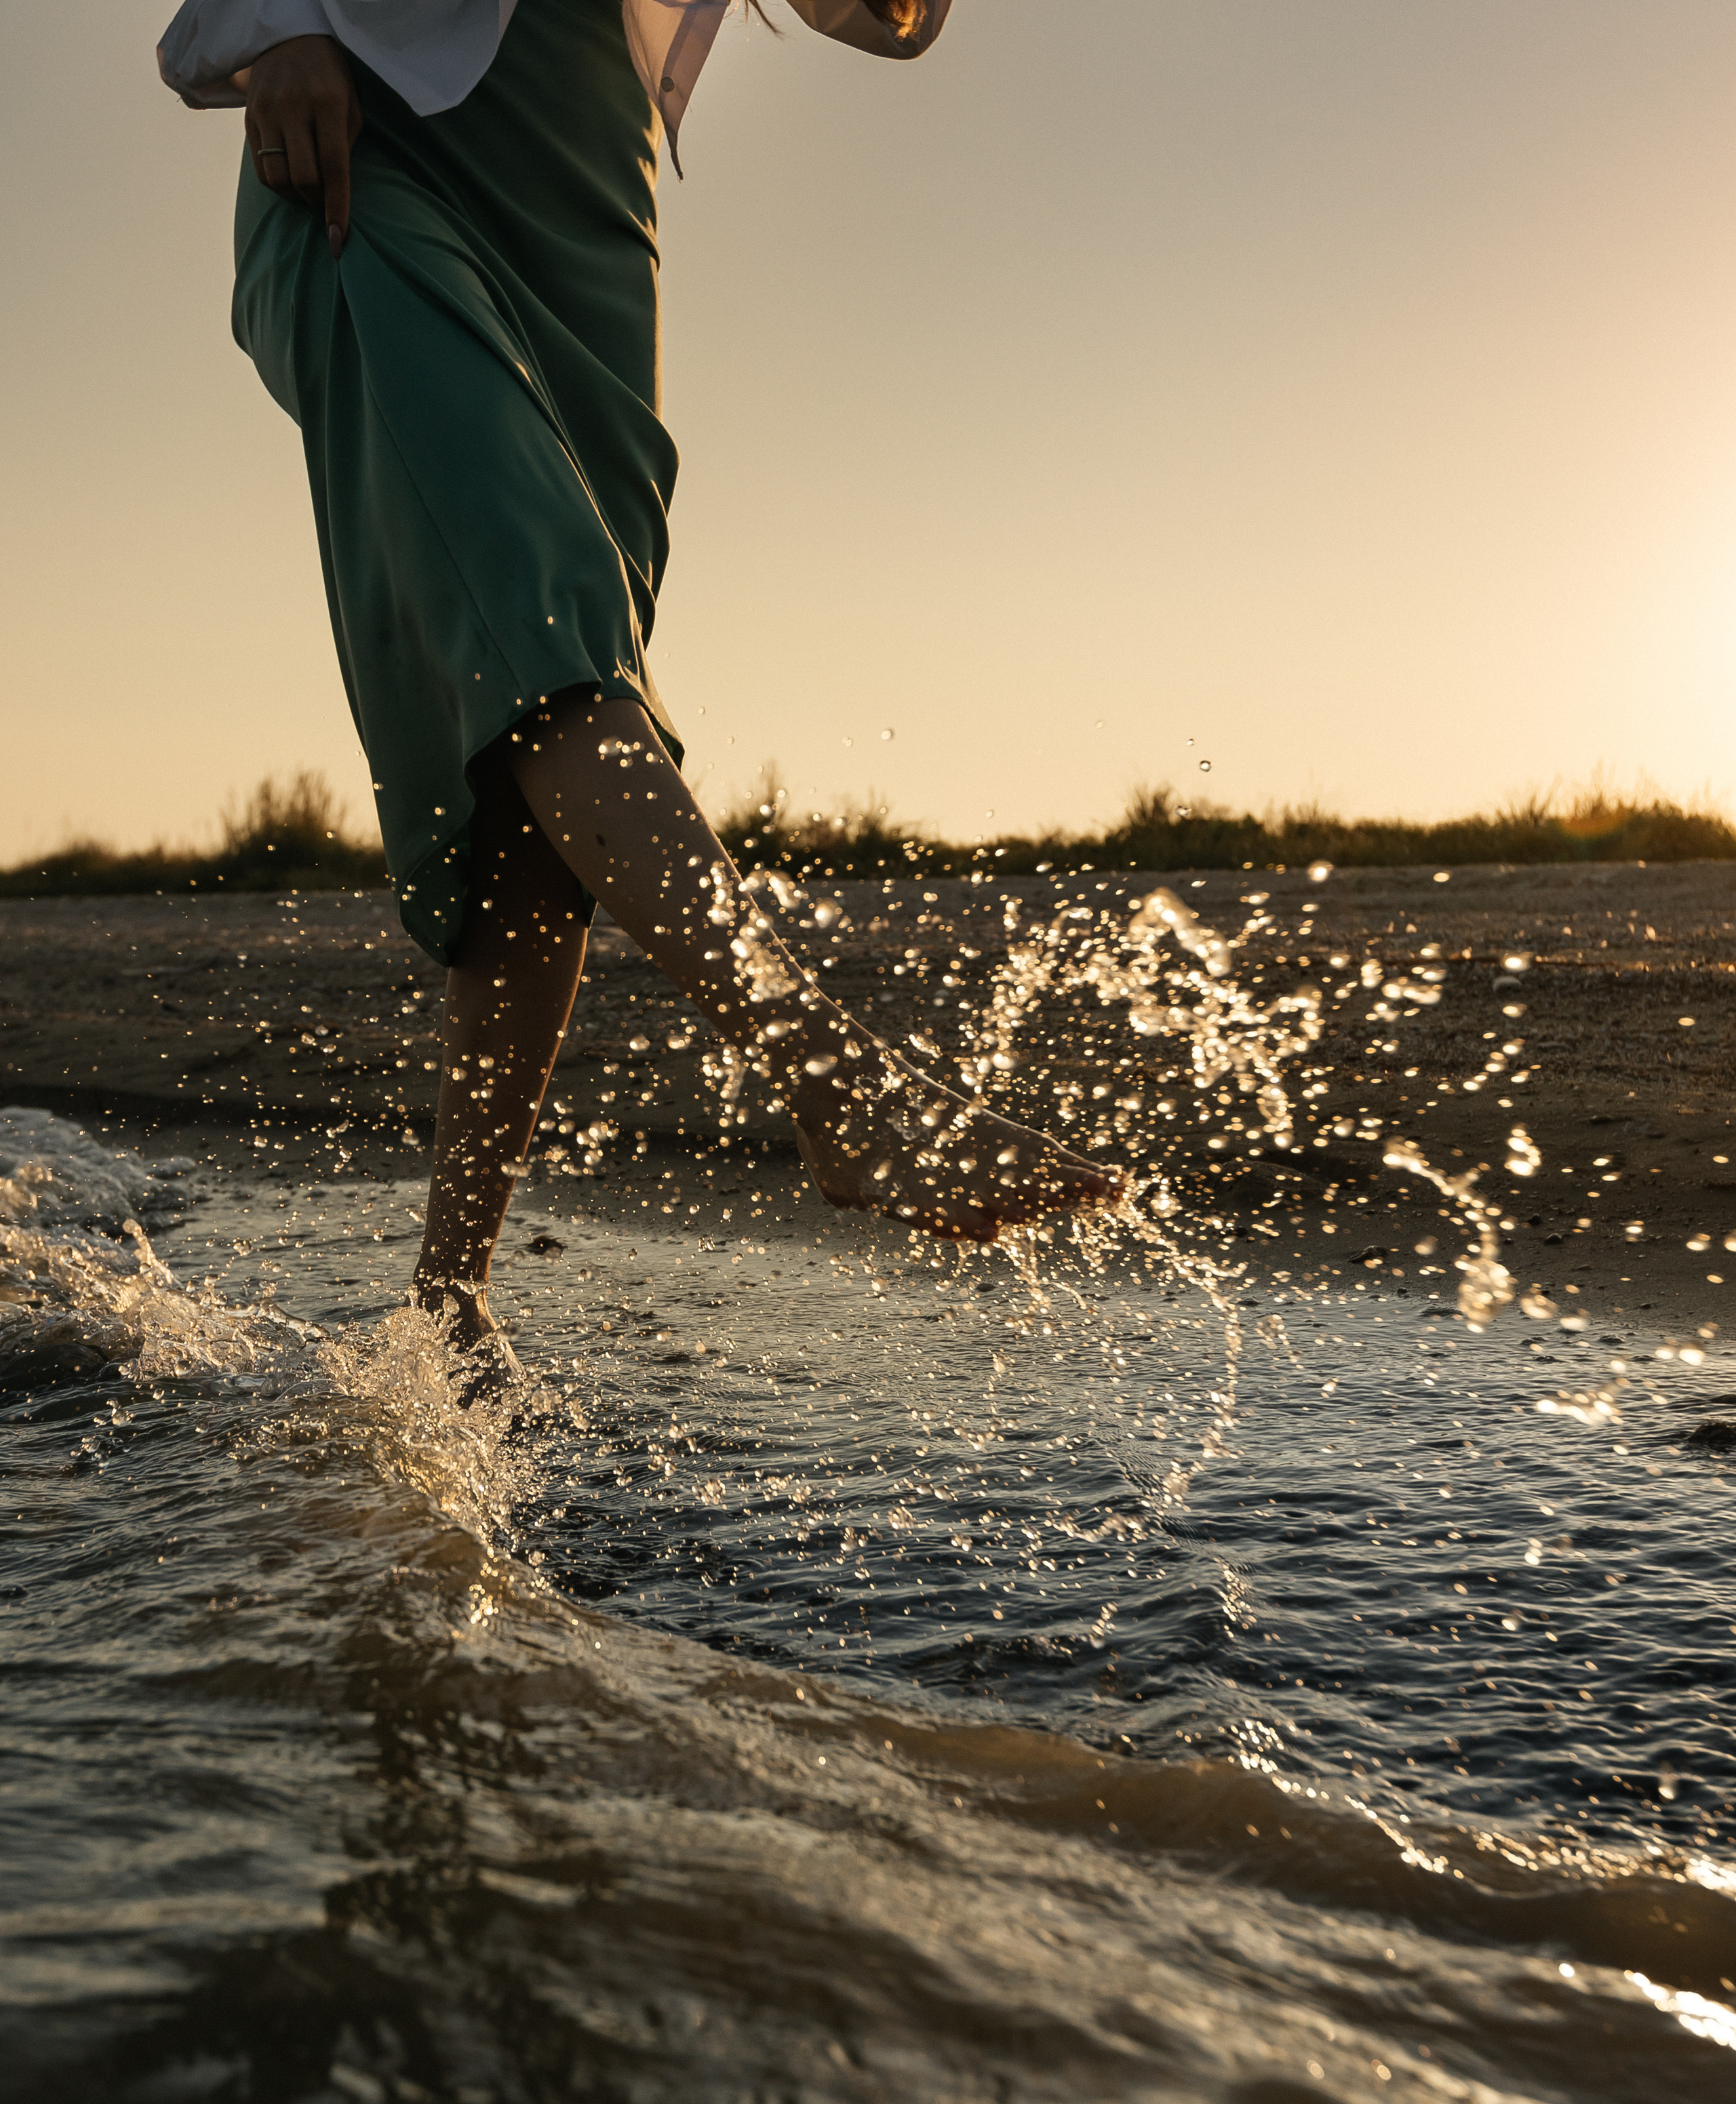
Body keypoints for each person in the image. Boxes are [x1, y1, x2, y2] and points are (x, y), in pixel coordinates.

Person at [157, 0, 1123, 1359]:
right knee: (542, 643)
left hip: (584, 186)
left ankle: (446, 1308)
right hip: (371, 134)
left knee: (537, 760)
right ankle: (837, 1081)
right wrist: (278, 28)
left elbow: (889, 18)